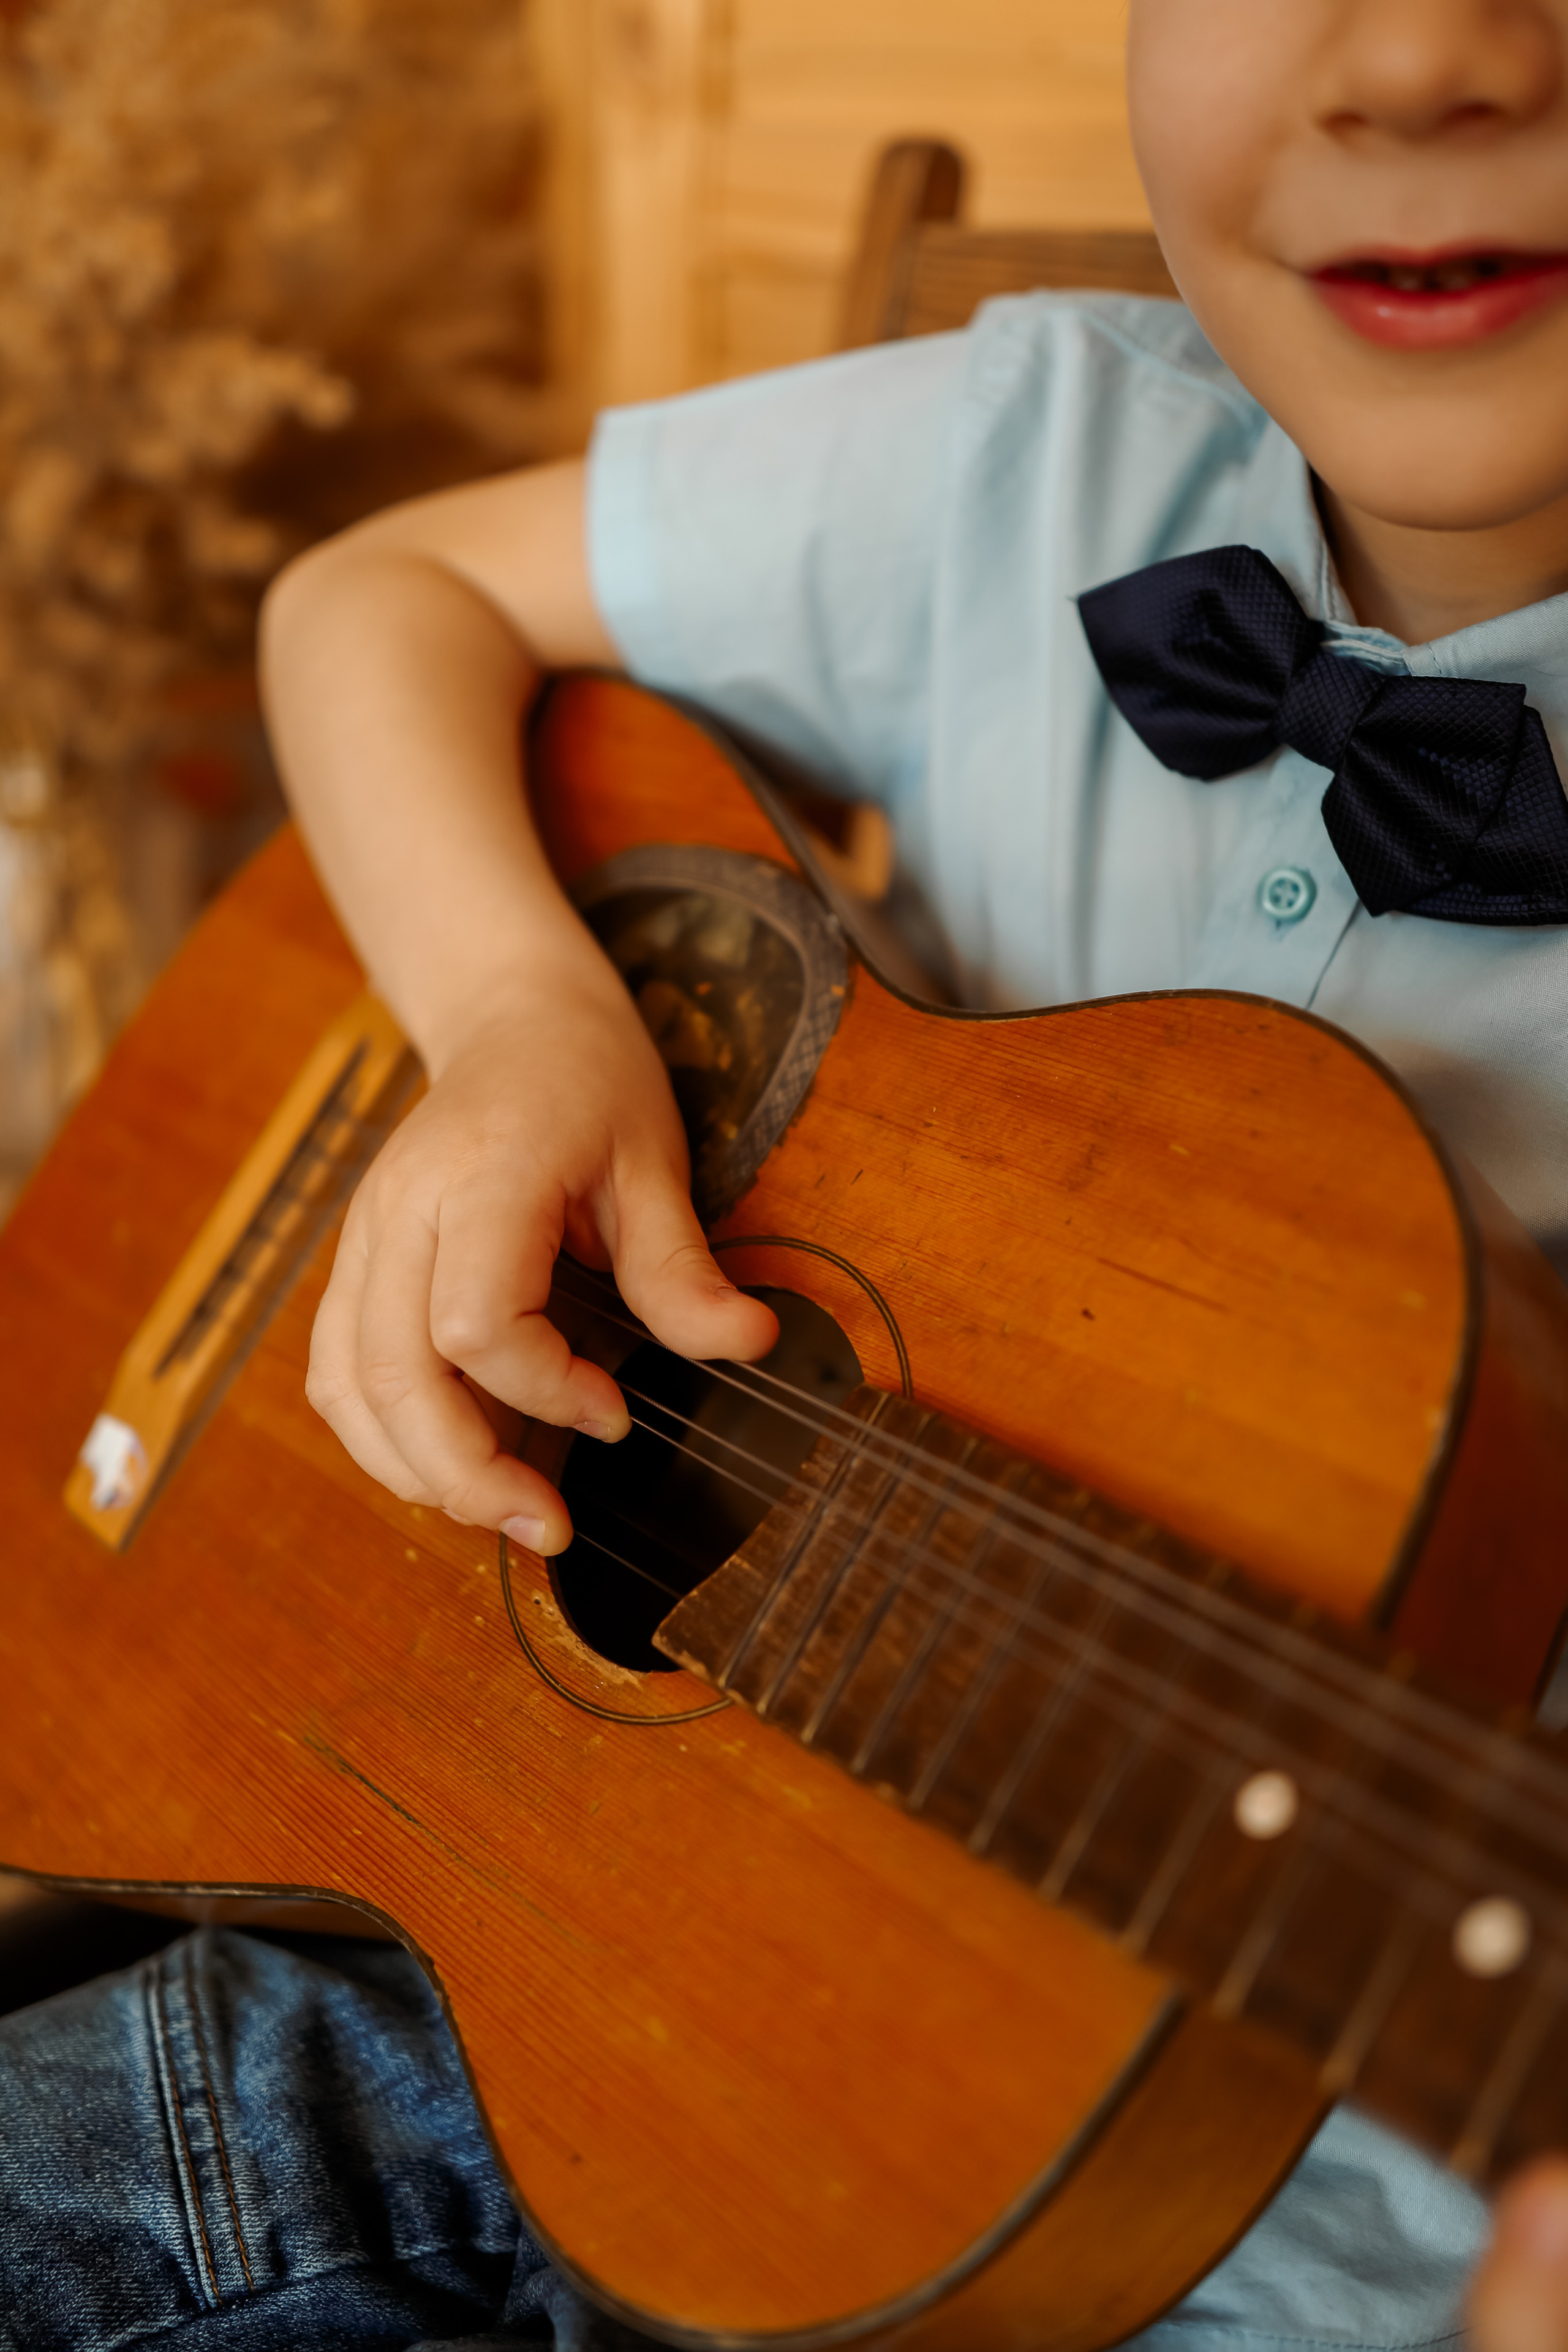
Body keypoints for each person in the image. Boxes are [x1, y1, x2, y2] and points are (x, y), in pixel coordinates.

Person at [7, 0, 1568, 2342]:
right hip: (536, 1988)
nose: (1427, 60)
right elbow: (373, 601)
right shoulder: (1033, 455)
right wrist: (520, 1016)